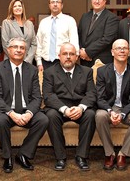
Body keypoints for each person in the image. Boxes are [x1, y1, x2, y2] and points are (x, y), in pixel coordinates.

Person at [0, 37, 49, 173]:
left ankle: (23, 154)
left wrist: (29, 113)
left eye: (22, 48)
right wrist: (11, 113)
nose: (18, 50)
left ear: (25, 52)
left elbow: (37, 97)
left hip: (26, 111)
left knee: (43, 119)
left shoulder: (32, 70)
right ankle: (7, 157)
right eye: (15, 47)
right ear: (8, 50)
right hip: (6, 111)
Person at [42, 42, 97, 171]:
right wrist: (64, 109)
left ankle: (81, 156)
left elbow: (91, 93)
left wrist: (81, 107)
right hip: (59, 109)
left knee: (90, 114)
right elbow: (48, 95)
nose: (68, 57)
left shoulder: (86, 71)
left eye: (71, 54)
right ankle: (60, 157)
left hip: (79, 108)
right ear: (59, 56)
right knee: (50, 115)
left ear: (76, 57)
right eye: (65, 54)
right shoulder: (50, 72)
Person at [96, 39, 130, 171]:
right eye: (118, 48)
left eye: (125, 48)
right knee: (99, 115)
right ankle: (109, 153)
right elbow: (100, 98)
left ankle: (123, 154)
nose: (122, 50)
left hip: (126, 109)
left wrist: (122, 114)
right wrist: (110, 111)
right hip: (108, 108)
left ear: (128, 52)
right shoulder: (102, 71)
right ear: (112, 52)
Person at [36, 0, 79, 71]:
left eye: (57, 2)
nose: (55, 4)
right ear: (49, 5)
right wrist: (39, 63)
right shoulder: (43, 22)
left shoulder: (70, 20)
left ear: (62, 5)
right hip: (45, 63)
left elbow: (74, 42)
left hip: (64, 62)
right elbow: (39, 43)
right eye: (52, 2)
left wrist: (74, 60)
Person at [78, 0, 119, 67]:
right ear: (91, 0)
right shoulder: (85, 16)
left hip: (101, 61)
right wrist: (81, 51)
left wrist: (87, 52)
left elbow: (107, 39)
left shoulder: (111, 18)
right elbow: (79, 35)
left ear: (105, 1)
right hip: (84, 60)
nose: (97, 1)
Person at [1, 0, 37, 64]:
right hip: (11, 61)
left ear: (23, 9)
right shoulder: (7, 23)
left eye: (19, 6)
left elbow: (34, 44)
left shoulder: (29, 24)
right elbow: (5, 45)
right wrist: (17, 59)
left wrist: (28, 59)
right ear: (11, 9)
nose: (17, 8)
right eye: (15, 6)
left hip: (27, 62)